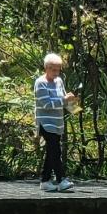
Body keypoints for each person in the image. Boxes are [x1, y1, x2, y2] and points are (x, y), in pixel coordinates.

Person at [34, 53, 77, 192]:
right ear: (46, 68)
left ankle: (45, 180)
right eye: (53, 69)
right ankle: (61, 179)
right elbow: (46, 104)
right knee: (55, 151)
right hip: (45, 123)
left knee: (52, 151)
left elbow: (64, 101)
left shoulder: (59, 81)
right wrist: (64, 100)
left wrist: (74, 105)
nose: (56, 72)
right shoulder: (40, 83)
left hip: (57, 123)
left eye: (58, 69)